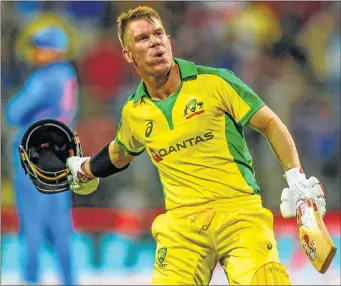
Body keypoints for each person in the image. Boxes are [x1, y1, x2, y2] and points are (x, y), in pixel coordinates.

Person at [66, 6, 327, 285]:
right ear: (128, 55)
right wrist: (84, 169)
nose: (155, 41)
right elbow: (119, 153)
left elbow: (270, 124)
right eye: (142, 38)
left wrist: (295, 177)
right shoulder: (134, 111)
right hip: (182, 226)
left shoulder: (215, 82)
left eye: (159, 34)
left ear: (168, 40)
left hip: (239, 213)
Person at [5, 26, 78, 285]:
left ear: (53, 50)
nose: (36, 52)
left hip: (35, 157)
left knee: (32, 222)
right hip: (58, 155)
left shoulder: (45, 78)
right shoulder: (68, 76)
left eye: (41, 47)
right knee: (59, 222)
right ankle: (69, 279)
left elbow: (14, 112)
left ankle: (31, 278)